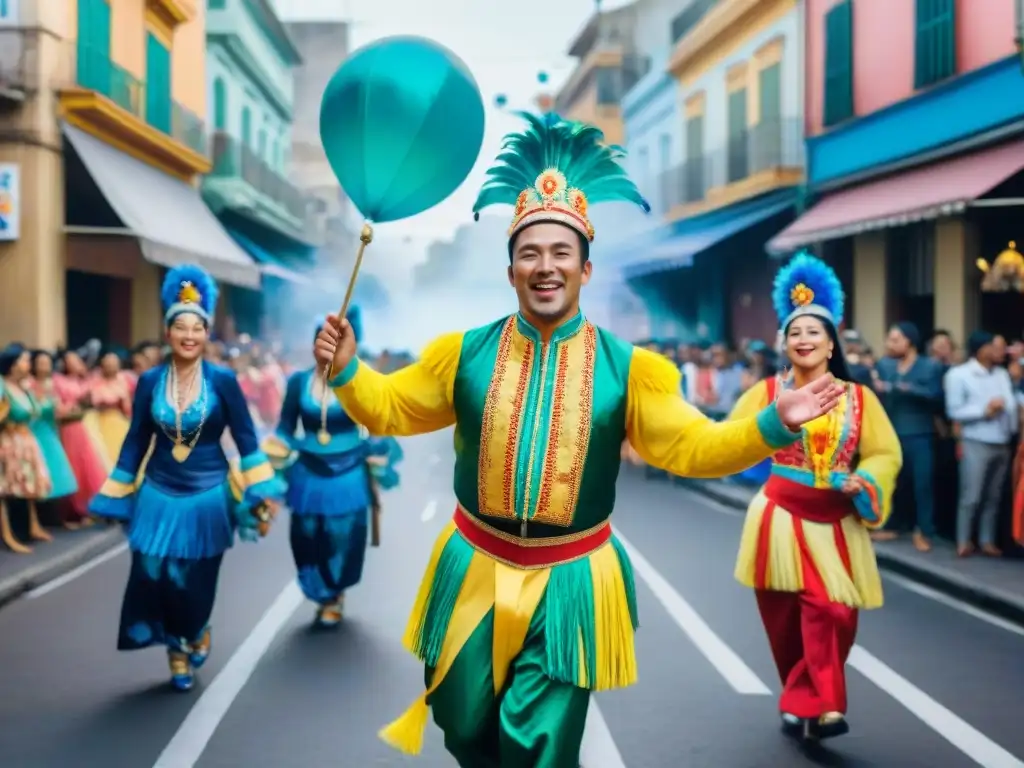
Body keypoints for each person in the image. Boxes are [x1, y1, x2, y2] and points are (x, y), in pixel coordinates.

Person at [314, 113, 845, 767]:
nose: (545, 267)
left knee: (536, 745)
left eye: (561, 253)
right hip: (473, 564)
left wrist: (772, 422)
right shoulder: (463, 354)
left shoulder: (632, 369)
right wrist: (345, 370)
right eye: (530, 254)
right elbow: (392, 408)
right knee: (462, 723)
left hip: (570, 581)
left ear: (585, 270)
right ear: (511, 271)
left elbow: (693, 447)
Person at [728, 253, 901, 741]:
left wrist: (864, 480)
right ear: (785, 344)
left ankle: (817, 702)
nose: (803, 340)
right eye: (795, 333)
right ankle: (805, 697)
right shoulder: (766, 392)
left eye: (813, 333)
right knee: (783, 617)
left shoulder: (860, 398)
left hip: (837, 519)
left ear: (831, 345)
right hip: (779, 515)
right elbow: (728, 441)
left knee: (834, 610)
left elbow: (885, 454)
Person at [89, 265, 284, 691]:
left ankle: (194, 631)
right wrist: (116, 493)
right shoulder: (148, 382)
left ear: (208, 333)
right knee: (152, 573)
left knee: (193, 581)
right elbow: (136, 440)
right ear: (168, 331)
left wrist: (261, 491)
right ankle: (176, 652)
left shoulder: (224, 381)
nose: (190, 335)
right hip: (158, 492)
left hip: (209, 495)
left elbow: (247, 440)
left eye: (198, 327)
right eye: (181, 326)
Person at [265, 312, 401, 627]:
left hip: (350, 470)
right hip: (307, 471)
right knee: (305, 534)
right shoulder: (298, 382)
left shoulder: (357, 378)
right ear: (314, 346)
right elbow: (286, 427)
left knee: (343, 536)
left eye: (335, 342)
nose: (328, 348)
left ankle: (335, 595)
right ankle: (320, 592)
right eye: (322, 341)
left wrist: (380, 447)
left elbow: (375, 417)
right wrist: (271, 455)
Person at [944, 330, 1017, 557]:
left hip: (1002, 440)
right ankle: (964, 540)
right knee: (972, 494)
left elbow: (1011, 405)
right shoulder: (959, 374)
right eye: (995, 347)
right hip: (976, 440)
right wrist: (985, 411)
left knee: (993, 496)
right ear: (981, 349)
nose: (1001, 351)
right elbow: (954, 410)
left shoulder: (1002, 375)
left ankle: (987, 540)